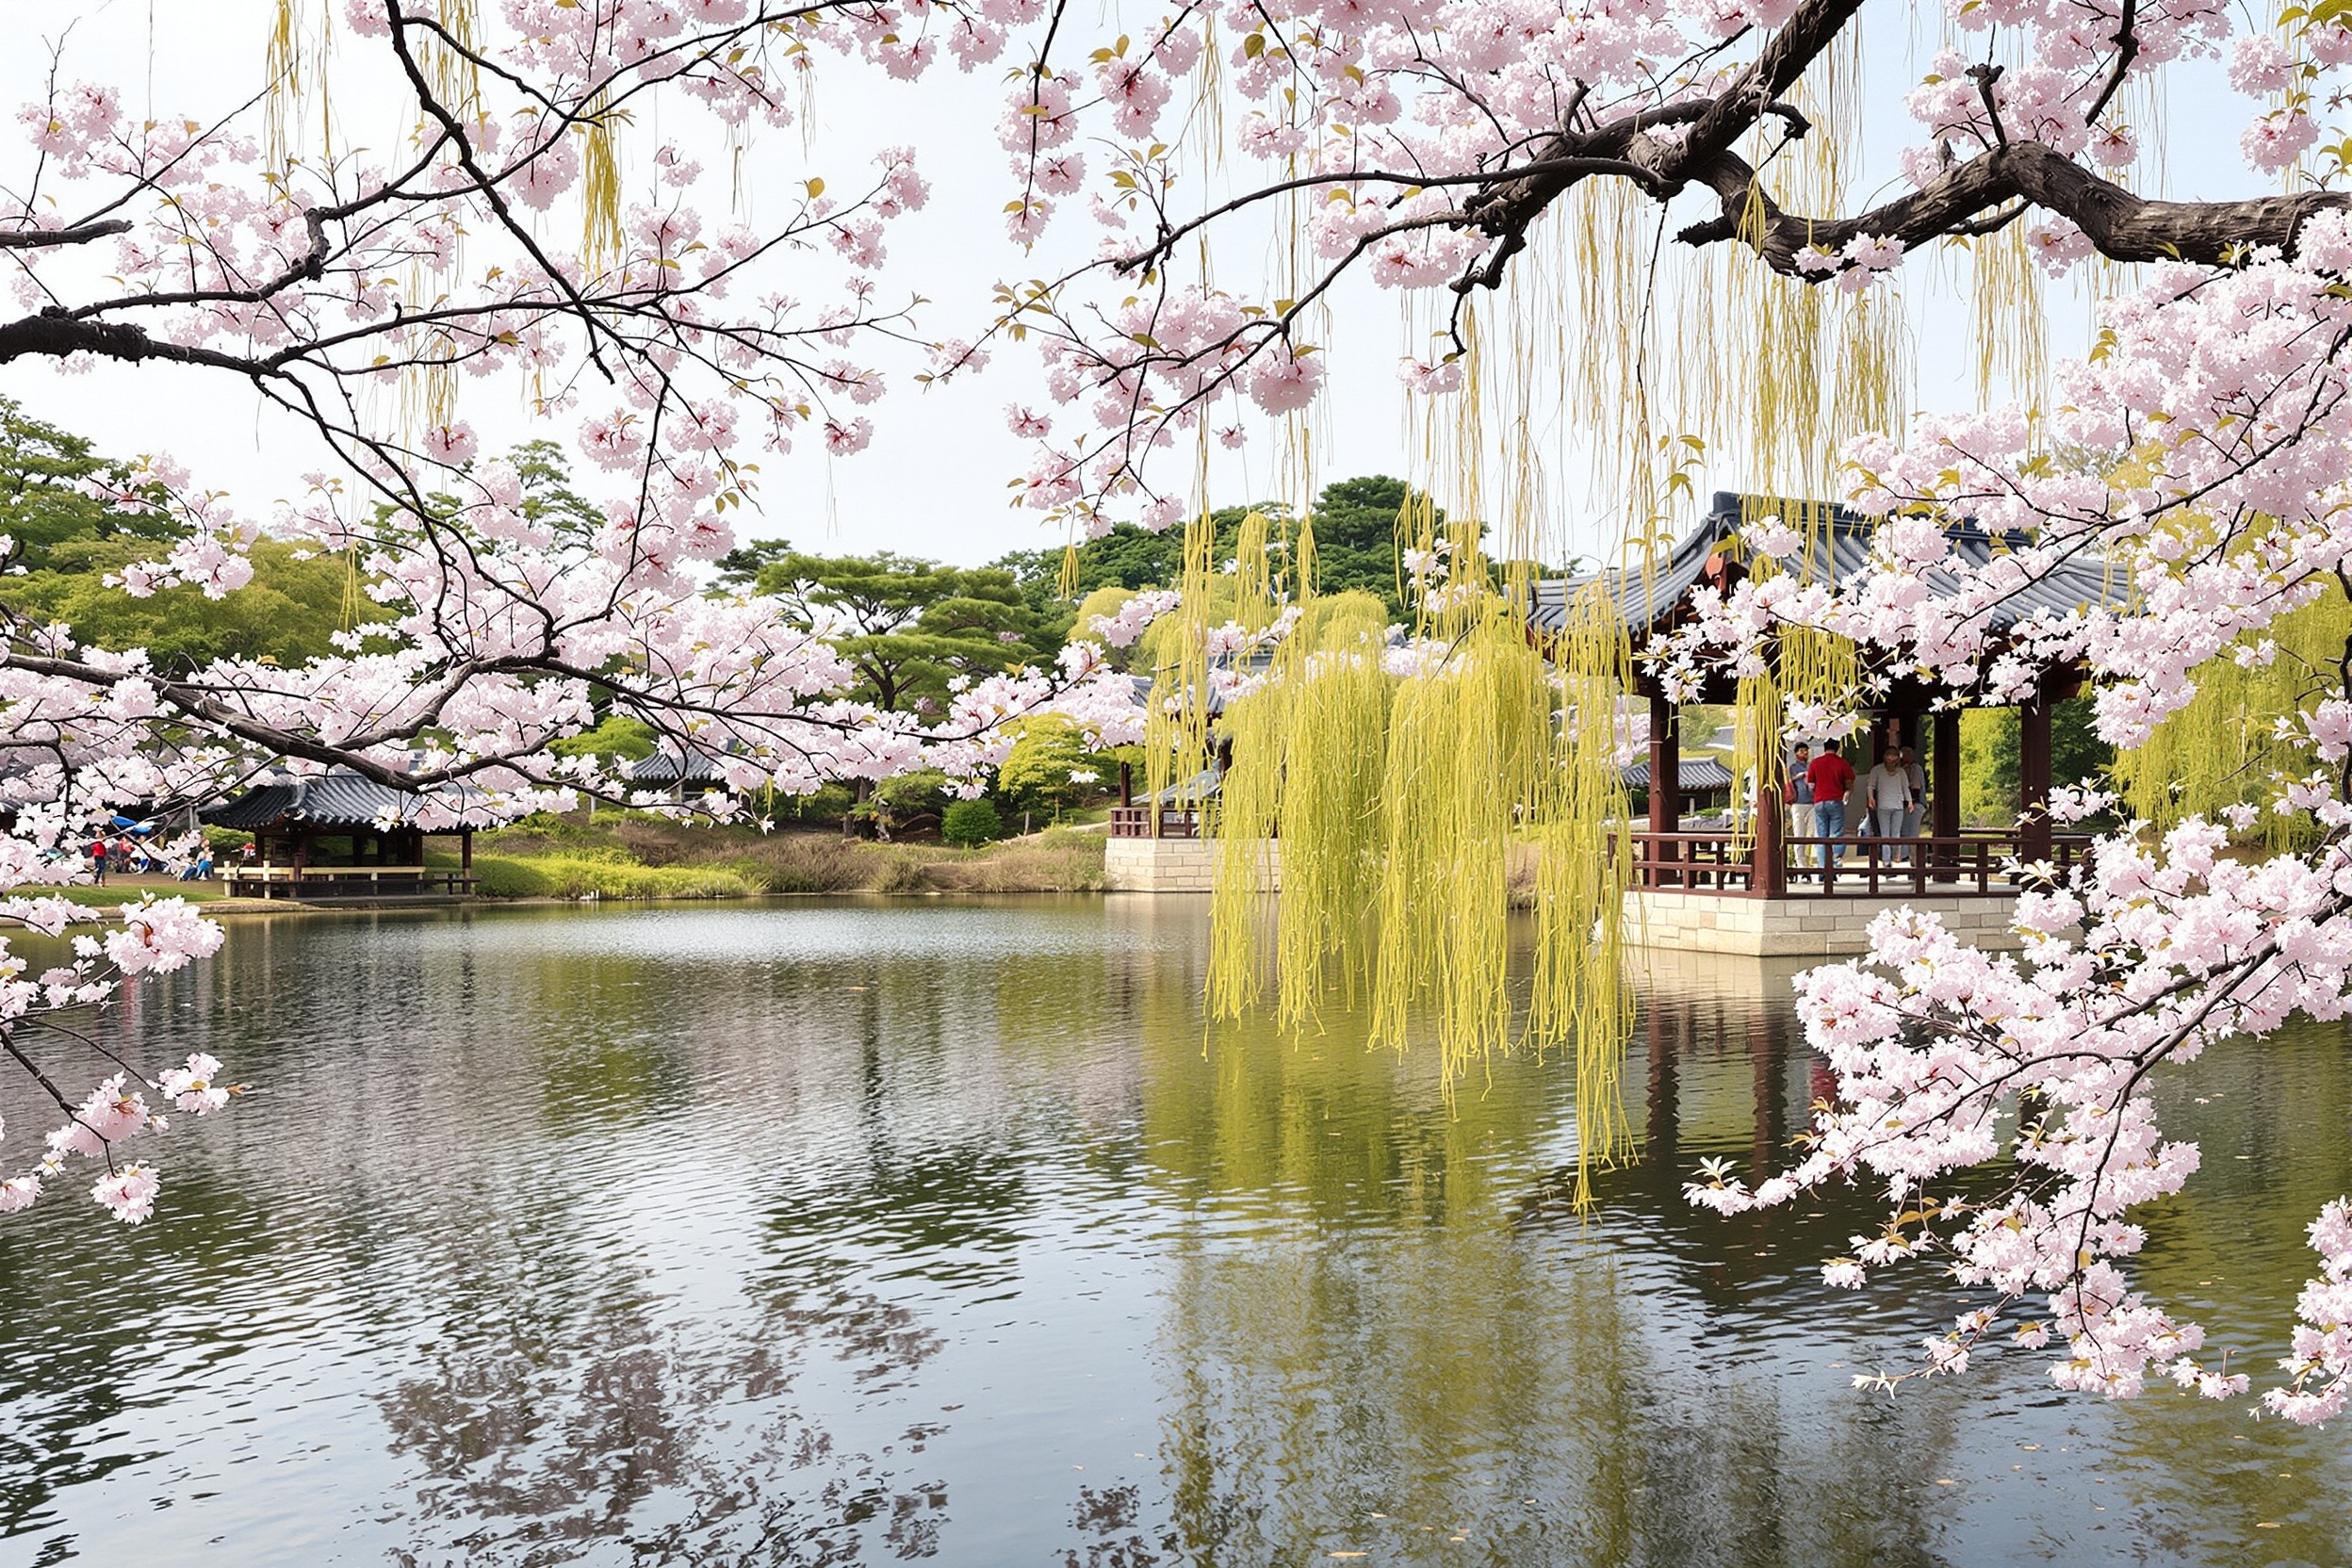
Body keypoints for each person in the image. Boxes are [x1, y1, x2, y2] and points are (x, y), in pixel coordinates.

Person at [1805, 738, 1855, 870]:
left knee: (1822, 835)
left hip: (1819, 801)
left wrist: (1816, 794)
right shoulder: (1842, 763)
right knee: (1836, 833)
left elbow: (1810, 785)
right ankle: (1834, 862)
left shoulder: (1815, 763)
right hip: (1835, 800)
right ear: (1838, 748)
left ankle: (1822, 868)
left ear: (1824, 747)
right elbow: (1849, 781)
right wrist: (1847, 793)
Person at [1865, 746, 1915, 862]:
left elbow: (1905, 788)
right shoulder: (1877, 770)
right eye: (1889, 756)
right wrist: (1871, 798)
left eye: (1894, 756)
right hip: (1883, 806)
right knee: (1885, 834)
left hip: (1898, 806)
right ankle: (1887, 859)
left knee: (1895, 834)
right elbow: (1870, 785)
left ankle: (1895, 856)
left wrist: (1910, 801)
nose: (1891, 759)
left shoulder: (1901, 772)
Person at [1788, 743, 1816, 878]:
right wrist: (1798, 776)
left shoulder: (1812, 766)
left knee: (1811, 834)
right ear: (1796, 753)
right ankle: (1801, 865)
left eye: (1806, 751)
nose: (1804, 753)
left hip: (1812, 803)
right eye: (1801, 751)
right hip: (1798, 803)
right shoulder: (1792, 768)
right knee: (1799, 834)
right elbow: (1788, 781)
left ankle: (1808, 862)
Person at [1901, 746, 1928, 843]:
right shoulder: (1904, 769)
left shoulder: (1915, 768)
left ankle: (1911, 855)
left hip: (1915, 804)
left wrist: (1908, 801)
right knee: (1905, 831)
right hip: (1909, 804)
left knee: (1911, 832)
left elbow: (1916, 788)